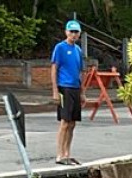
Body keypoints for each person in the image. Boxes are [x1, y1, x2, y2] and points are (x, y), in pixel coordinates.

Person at [50, 20, 85, 166]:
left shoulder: (78, 50)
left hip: (75, 88)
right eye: (71, 31)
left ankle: (67, 153)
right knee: (65, 122)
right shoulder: (60, 48)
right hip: (64, 87)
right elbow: (54, 69)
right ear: (66, 32)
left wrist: (82, 92)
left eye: (76, 32)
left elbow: (81, 72)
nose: (74, 34)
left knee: (72, 123)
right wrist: (55, 91)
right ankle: (59, 154)